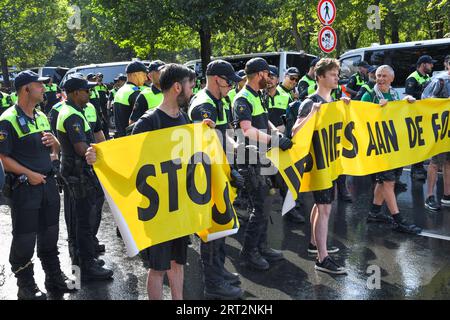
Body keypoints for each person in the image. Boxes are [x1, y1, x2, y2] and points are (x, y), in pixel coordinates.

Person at [88, 64, 196, 300]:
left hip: (178, 206)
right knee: (157, 268)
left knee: (177, 263)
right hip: (157, 210)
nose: (192, 91)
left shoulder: (183, 119)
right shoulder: (148, 122)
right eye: (190, 85)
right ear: (177, 87)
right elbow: (127, 160)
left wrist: (202, 134)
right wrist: (99, 159)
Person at [0, 70, 73, 299]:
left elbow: (54, 148)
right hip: (25, 189)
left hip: (48, 185)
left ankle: (53, 277)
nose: (44, 88)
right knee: (25, 238)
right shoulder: (7, 119)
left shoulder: (41, 115)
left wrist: (56, 145)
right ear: (25, 89)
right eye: (38, 85)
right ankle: (26, 285)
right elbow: (2, 157)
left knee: (50, 233)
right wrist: (29, 174)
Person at [188, 59, 244, 299]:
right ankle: (213, 284)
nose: (231, 86)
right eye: (228, 82)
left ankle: (218, 271)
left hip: (219, 171)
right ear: (216, 79)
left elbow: (224, 137)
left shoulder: (218, 101)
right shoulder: (203, 105)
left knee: (222, 227)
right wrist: (233, 168)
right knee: (212, 230)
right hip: (208, 175)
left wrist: (235, 162)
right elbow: (211, 142)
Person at [291, 58, 350, 275]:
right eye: (333, 74)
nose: (337, 77)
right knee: (325, 208)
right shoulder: (310, 102)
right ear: (320, 76)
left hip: (331, 161)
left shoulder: (335, 101)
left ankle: (315, 244)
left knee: (321, 205)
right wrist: (313, 113)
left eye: (337, 74)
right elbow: (295, 131)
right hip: (318, 164)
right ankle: (322, 259)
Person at [233, 57, 293, 271]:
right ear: (259, 74)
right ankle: (249, 253)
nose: (270, 78)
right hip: (249, 159)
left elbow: (263, 119)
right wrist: (275, 140)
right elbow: (247, 130)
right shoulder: (242, 98)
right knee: (260, 207)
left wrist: (275, 131)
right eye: (268, 74)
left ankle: (262, 246)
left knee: (267, 203)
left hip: (262, 157)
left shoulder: (258, 95)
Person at [57, 73, 113, 281]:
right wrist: (105, 153)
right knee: (83, 221)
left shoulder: (77, 110)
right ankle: (86, 265)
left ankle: (86, 258)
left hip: (81, 173)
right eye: (86, 90)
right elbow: (82, 148)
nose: (90, 92)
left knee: (87, 218)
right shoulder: (70, 114)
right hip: (77, 175)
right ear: (74, 93)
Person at [362, 65, 422, 235]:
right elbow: (360, 117)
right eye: (378, 75)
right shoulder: (370, 95)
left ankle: (374, 213)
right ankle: (399, 220)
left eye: (384, 76)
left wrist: (408, 100)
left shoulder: (395, 94)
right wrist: (375, 110)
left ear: (392, 79)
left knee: (384, 181)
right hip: (379, 147)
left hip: (394, 145)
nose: (380, 79)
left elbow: (399, 111)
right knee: (388, 182)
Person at [422, 55, 450, 211]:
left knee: (449, 162)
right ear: (448, 65)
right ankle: (429, 197)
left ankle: (447, 195)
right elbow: (426, 99)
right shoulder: (440, 80)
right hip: (439, 129)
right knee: (435, 163)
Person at [406, 55, 437, 181]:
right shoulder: (412, 78)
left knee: (422, 141)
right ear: (423, 64)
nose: (432, 66)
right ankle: (415, 169)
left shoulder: (427, 77)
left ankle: (419, 166)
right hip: (415, 115)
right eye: (430, 64)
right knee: (416, 142)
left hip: (424, 114)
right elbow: (409, 95)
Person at [113, 61, 148, 137]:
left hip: (121, 136)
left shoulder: (121, 90)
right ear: (135, 75)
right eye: (144, 75)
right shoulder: (134, 92)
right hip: (131, 138)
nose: (145, 78)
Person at [94, 73, 110, 139]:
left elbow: (108, 94)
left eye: (101, 77)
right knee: (99, 121)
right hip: (97, 106)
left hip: (104, 106)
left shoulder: (104, 86)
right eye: (98, 77)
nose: (100, 78)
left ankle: (106, 135)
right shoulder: (94, 86)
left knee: (106, 121)